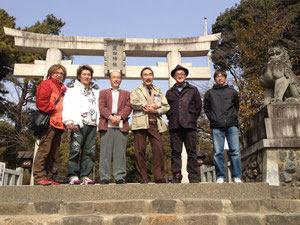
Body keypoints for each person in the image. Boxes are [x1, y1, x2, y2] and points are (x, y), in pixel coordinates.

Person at [130, 67, 170, 183]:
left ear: (153, 76)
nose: (148, 77)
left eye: (150, 74)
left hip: (155, 122)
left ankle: (159, 176)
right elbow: (133, 102)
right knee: (139, 150)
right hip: (140, 122)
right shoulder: (136, 90)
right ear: (141, 77)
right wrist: (148, 107)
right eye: (145, 75)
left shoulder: (158, 90)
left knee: (158, 149)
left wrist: (156, 111)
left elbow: (166, 106)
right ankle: (142, 177)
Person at [62, 65, 99, 185]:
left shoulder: (95, 91)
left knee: (90, 151)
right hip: (78, 124)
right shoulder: (72, 90)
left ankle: (85, 175)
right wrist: (68, 120)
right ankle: (73, 175)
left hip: (92, 123)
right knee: (75, 150)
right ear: (79, 76)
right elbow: (67, 105)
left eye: (89, 75)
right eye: (84, 74)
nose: (87, 77)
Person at [204, 69, 242, 183]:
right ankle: (220, 176)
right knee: (217, 152)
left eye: (222, 76)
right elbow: (207, 108)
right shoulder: (209, 93)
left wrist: (232, 116)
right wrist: (213, 118)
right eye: (217, 76)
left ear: (225, 78)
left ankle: (237, 176)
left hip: (231, 124)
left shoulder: (232, 91)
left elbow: (236, 106)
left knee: (235, 151)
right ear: (215, 78)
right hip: (216, 125)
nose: (220, 78)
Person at [166, 65, 202, 183]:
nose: (180, 76)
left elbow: (198, 107)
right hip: (175, 125)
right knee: (176, 152)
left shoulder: (193, 90)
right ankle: (177, 175)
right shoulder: (170, 92)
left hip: (189, 124)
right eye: (177, 74)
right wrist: (172, 116)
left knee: (191, 151)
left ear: (185, 76)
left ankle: (192, 175)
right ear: (174, 77)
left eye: (182, 74)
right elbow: (166, 108)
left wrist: (191, 118)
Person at [33, 64, 67, 185]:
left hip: (59, 124)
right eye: (56, 72)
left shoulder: (62, 89)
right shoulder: (46, 84)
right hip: (49, 123)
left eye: (61, 73)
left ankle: (49, 176)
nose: (58, 75)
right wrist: (55, 108)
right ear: (50, 73)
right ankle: (39, 177)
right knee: (44, 150)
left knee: (54, 153)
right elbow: (41, 102)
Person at [98, 71, 132, 184]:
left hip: (121, 124)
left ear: (121, 79)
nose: (116, 79)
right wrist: (110, 116)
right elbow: (101, 107)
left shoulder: (127, 93)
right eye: (114, 77)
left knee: (120, 152)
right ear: (110, 80)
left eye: (118, 77)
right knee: (105, 152)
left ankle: (120, 176)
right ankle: (104, 177)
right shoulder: (103, 93)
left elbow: (128, 107)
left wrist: (120, 117)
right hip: (106, 124)